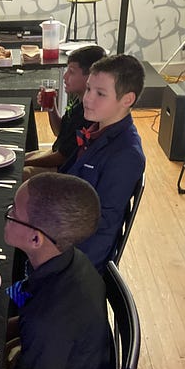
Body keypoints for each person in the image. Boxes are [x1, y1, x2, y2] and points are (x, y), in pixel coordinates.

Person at [0, 172, 110, 369]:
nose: (7, 213)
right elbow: (26, 317)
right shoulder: (69, 259)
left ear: (36, 239)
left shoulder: (49, 318)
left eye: (13, 211)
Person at [59, 54, 146, 271]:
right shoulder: (97, 129)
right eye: (89, 89)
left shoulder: (126, 155)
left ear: (127, 99)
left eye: (100, 94)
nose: (87, 99)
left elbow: (101, 225)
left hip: (78, 258)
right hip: (64, 224)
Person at [24, 45, 106, 178]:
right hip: (56, 154)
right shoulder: (78, 99)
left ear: (90, 76)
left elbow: (62, 158)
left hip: (67, 170)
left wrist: (24, 162)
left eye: (71, 72)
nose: (65, 76)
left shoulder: (90, 114)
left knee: (18, 173)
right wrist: (51, 107)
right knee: (18, 156)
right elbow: (59, 132)